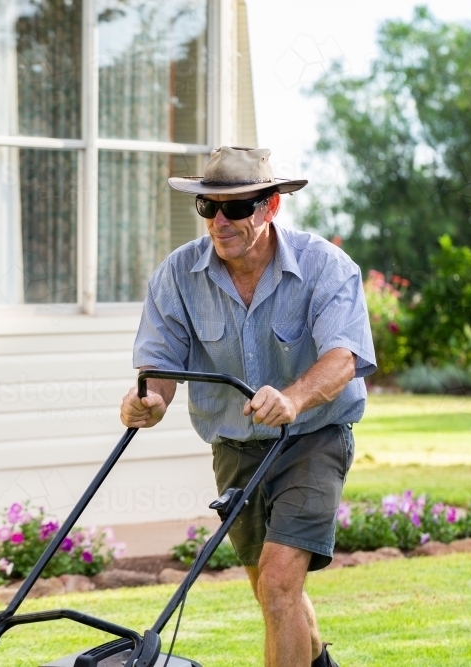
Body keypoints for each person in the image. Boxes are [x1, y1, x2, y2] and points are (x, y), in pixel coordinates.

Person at [120, 146, 376, 667]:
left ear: (271, 207)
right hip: (235, 449)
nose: (220, 220)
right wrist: (148, 400)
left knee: (280, 583)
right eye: (208, 208)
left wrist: (293, 397)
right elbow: (161, 367)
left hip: (312, 439)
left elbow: (343, 359)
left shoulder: (324, 266)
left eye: (235, 208)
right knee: (270, 590)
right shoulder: (178, 276)